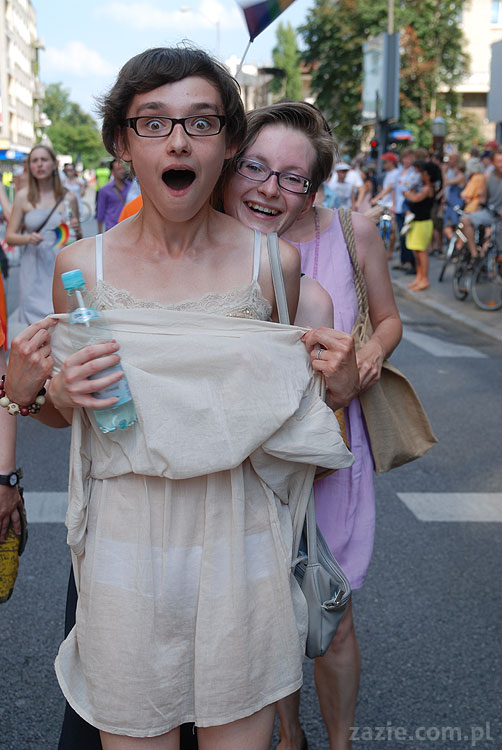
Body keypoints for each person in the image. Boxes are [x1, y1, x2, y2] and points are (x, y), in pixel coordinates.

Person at [4, 47, 354, 749]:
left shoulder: (273, 266)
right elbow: (68, 412)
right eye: (153, 122)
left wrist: (339, 386)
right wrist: (34, 392)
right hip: (123, 543)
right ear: (122, 143)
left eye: (200, 122)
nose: (178, 141)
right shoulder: (81, 267)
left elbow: (305, 419)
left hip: (242, 541)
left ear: (227, 143)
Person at [222, 100, 402, 750]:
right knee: (265, 615)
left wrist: (370, 353)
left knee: (332, 614)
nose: (271, 188)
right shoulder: (216, 238)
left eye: (293, 177)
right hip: (247, 460)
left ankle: (340, 742)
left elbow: (388, 318)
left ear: (315, 185)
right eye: (255, 167)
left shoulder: (353, 233)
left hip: (331, 448)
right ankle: (289, 734)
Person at [5, 144, 81, 326]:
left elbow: (77, 240)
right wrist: (28, 238)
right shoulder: (23, 197)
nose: (39, 164)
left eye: (44, 160)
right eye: (34, 161)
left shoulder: (68, 197)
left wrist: (77, 230)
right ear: (30, 166)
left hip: (61, 268)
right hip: (33, 269)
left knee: (62, 323)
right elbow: (10, 236)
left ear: (54, 164)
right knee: (36, 327)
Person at [461, 148, 502, 258]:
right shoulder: (488, 175)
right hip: (490, 213)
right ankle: (475, 254)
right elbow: (483, 198)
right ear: (493, 162)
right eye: (499, 161)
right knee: (465, 220)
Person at [402, 160, 436, 291]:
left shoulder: (428, 188)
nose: (420, 175)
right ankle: (419, 277)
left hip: (423, 223)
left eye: (423, 172)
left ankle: (424, 279)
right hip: (417, 222)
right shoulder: (422, 186)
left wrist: (406, 193)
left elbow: (415, 198)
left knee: (421, 253)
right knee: (416, 252)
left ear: (428, 175)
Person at [96, 158, 131, 232]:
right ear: (112, 171)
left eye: (123, 168)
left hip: (130, 228)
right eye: (119, 169)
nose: (122, 171)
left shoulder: (131, 187)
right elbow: (100, 213)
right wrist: (99, 233)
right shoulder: (104, 190)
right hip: (112, 229)